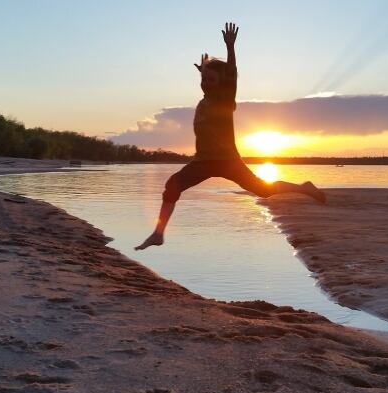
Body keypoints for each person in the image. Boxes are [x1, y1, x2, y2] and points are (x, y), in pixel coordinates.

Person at [135, 22, 325, 251]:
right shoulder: (205, 99)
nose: (205, 84)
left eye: (210, 80)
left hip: (228, 161)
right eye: (203, 80)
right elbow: (212, 77)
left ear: (222, 83)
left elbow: (231, 74)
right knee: (172, 185)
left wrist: (230, 48)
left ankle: (304, 188)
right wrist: (205, 68)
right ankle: (158, 233)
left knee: (263, 190)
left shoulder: (224, 100)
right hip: (202, 161)